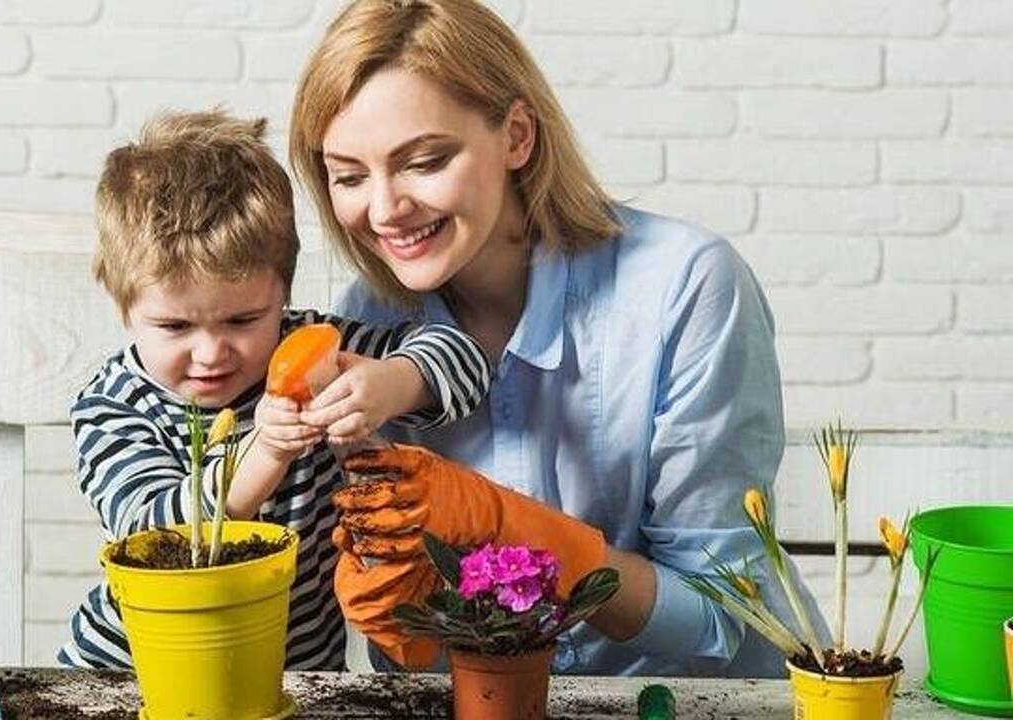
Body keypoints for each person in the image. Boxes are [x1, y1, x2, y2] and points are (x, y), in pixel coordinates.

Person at [289, 0, 826, 677]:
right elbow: (416, 651)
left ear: (516, 136)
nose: (386, 208)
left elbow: (723, 613)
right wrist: (397, 621)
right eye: (348, 176)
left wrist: (505, 527)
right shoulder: (367, 326)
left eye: (424, 160)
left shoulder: (685, 288)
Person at [57, 108, 491, 671]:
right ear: (124, 307)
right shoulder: (113, 406)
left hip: (296, 675)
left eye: (243, 320)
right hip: (135, 671)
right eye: (175, 327)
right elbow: (157, 535)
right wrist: (263, 453)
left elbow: (467, 359)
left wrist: (393, 382)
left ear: (283, 293)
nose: (211, 352)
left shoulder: (313, 349)